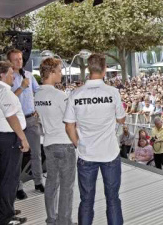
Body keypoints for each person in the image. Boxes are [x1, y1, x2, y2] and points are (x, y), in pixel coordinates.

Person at [64, 54, 125, 225]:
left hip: (86, 154)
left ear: (89, 69)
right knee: (113, 199)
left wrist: (79, 144)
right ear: (105, 69)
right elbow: (121, 119)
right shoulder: (112, 92)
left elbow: (69, 126)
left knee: (86, 201)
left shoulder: (76, 94)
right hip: (110, 153)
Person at [34, 57, 77, 225]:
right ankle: (64, 221)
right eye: (59, 70)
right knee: (67, 186)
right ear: (51, 72)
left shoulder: (37, 94)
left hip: (48, 144)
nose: (61, 74)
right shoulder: (59, 95)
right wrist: (77, 141)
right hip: (64, 144)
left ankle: (51, 219)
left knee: (51, 183)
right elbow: (70, 121)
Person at [0, 61, 29, 225]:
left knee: (5, 177)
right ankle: (5, 217)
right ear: (2, 75)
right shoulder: (3, 92)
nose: (14, 76)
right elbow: (11, 117)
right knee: (9, 178)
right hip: (8, 138)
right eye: (11, 74)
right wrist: (23, 138)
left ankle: (4, 210)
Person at [8, 49, 43, 199]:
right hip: (16, 121)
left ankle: (38, 182)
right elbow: (8, 99)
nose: (19, 61)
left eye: (20, 59)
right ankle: (18, 186)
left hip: (31, 118)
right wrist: (21, 87)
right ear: (9, 62)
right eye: (15, 59)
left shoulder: (29, 75)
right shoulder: (8, 78)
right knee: (18, 155)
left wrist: (39, 109)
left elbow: (39, 93)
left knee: (36, 153)